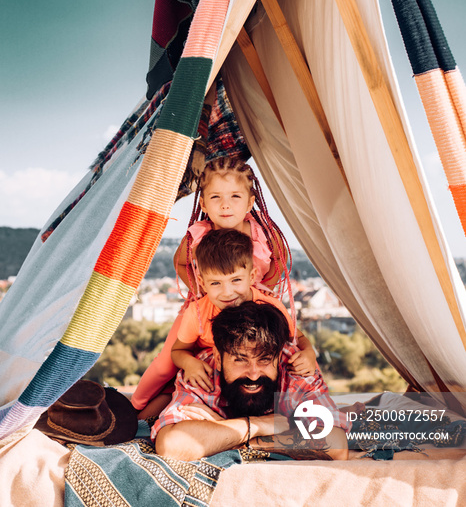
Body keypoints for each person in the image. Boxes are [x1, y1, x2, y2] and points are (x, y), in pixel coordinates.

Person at [131, 157, 311, 416]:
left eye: (235, 196)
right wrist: (201, 290)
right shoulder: (197, 234)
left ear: (250, 202)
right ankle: (135, 406)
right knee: (165, 365)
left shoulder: (263, 233)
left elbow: (280, 261)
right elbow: (180, 262)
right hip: (206, 306)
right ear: (203, 202)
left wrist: (260, 288)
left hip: (252, 306)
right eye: (216, 197)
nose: (225, 205)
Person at [153, 300, 350, 461]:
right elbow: (171, 445)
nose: (254, 374)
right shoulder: (201, 372)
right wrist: (259, 425)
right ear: (219, 359)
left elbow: (336, 445)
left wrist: (229, 434)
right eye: (240, 360)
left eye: (264, 360)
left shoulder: (296, 369)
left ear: (279, 356)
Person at [170, 228, 316, 392]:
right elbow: (179, 350)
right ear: (202, 283)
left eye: (236, 280)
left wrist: (309, 352)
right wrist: (190, 363)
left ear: (252, 276)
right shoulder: (197, 311)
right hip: (213, 373)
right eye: (215, 283)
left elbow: (297, 338)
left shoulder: (270, 306)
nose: (227, 292)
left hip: (258, 375)